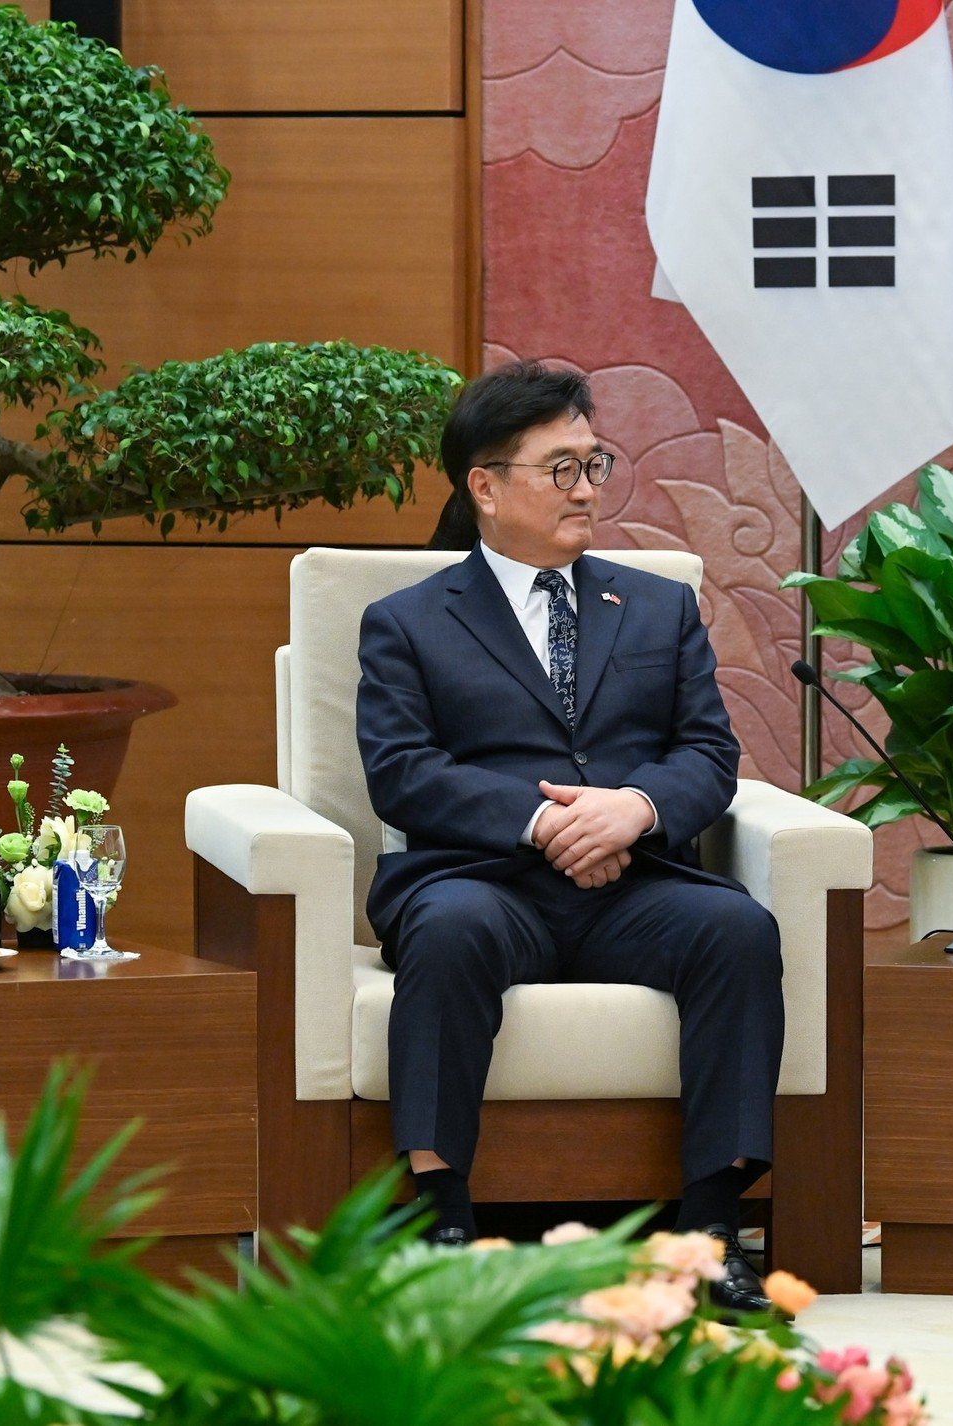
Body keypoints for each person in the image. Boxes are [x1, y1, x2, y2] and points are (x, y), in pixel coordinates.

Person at [357, 361, 781, 1314]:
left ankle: (710, 1232)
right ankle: (445, 1226)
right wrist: (543, 820)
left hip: (635, 882)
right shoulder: (407, 622)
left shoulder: (657, 605)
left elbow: (708, 753)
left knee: (740, 931)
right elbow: (403, 772)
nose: (588, 488)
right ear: (485, 486)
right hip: (480, 878)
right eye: (562, 469)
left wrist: (633, 808)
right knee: (451, 932)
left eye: (595, 463)